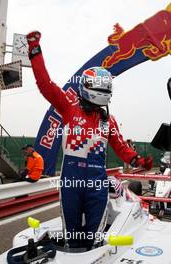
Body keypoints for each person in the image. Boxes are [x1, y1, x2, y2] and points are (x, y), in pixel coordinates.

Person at [26, 31, 153, 249]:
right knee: (73, 237)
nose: (103, 90)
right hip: (71, 182)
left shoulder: (109, 120)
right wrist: (34, 50)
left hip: (97, 183)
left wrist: (138, 160)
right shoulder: (69, 107)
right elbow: (45, 84)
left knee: (95, 238)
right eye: (99, 86)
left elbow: (122, 148)